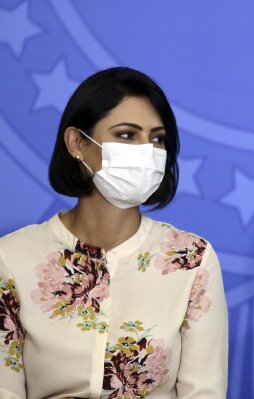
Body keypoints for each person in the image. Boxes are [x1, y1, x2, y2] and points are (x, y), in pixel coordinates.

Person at [0, 67, 228, 398]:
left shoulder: (192, 260)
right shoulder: (11, 258)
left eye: (157, 138)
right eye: (126, 135)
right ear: (77, 143)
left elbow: (204, 391)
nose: (146, 151)